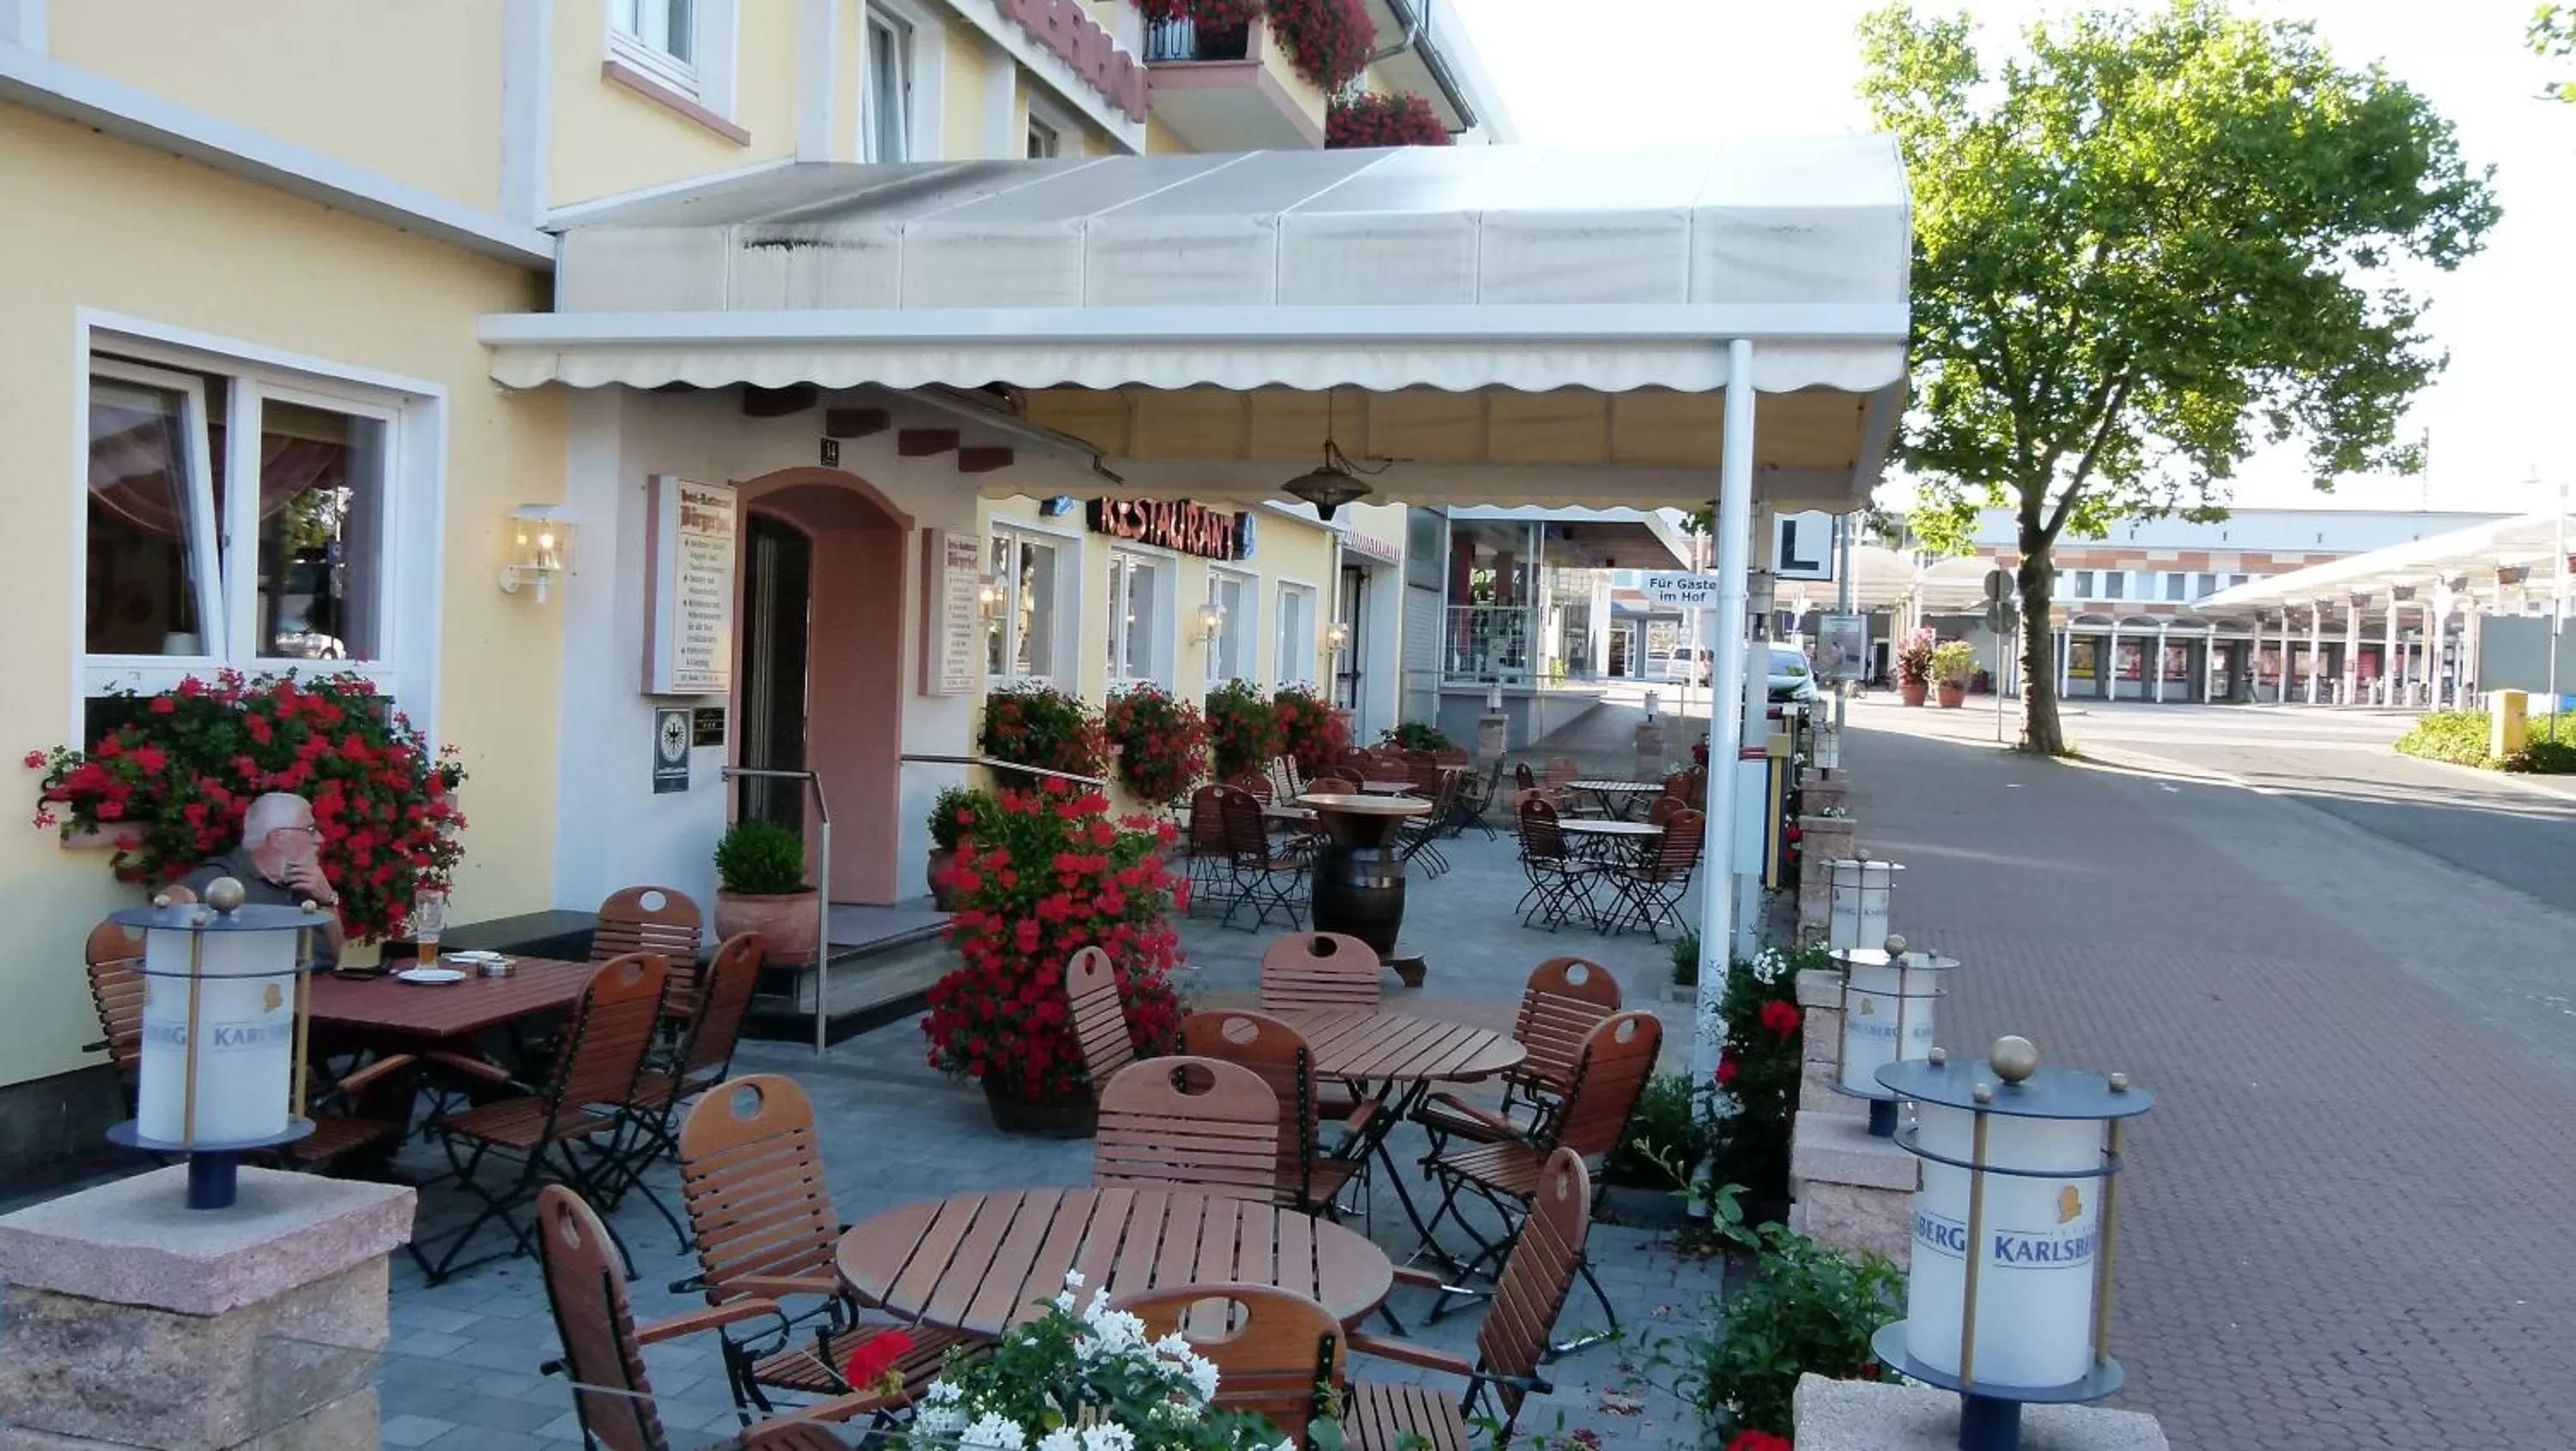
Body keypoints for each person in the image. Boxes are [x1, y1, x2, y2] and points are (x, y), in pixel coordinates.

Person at [168, 792, 345, 967]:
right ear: (278, 838)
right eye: (311, 830)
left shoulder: (307, 882)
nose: (320, 839)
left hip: (320, 988)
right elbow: (171, 901)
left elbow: (335, 955)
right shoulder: (229, 876)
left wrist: (328, 901)